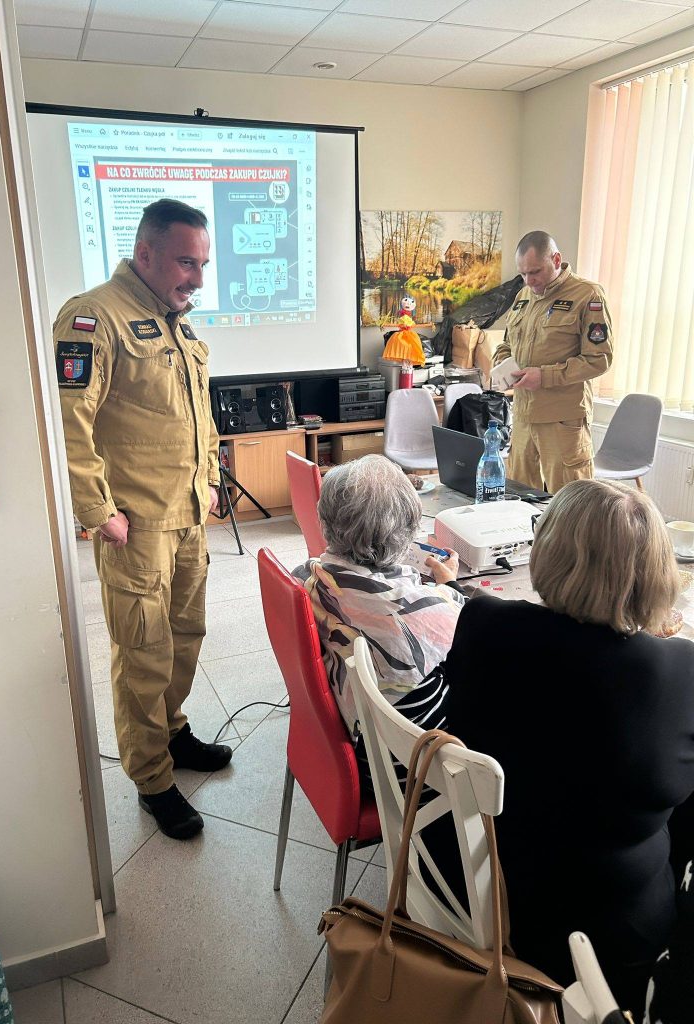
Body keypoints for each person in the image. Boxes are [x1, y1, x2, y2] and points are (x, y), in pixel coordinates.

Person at [442, 479, 694, 1018]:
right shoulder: (678, 672)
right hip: (613, 942)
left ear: (548, 552)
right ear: (656, 573)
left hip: (481, 884)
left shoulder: (483, 621)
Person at [53, 199, 232, 842]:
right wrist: (98, 512)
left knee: (185, 637)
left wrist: (211, 481)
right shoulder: (93, 317)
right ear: (146, 252)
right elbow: (68, 424)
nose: (197, 278)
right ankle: (152, 776)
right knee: (143, 652)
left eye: (203, 264)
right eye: (187, 262)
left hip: (187, 515)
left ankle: (173, 733)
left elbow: (196, 415)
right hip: (136, 527)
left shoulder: (175, 322)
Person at [295, 455, 464, 784]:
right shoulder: (424, 613)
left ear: (325, 519)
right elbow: (474, 622)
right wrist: (451, 585)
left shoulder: (310, 577)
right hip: (413, 774)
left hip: (353, 745)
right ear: (406, 534)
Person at [494, 230, 613, 492]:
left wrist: (544, 376)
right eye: (523, 274)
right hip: (523, 417)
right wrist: (502, 363)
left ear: (556, 259)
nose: (529, 280)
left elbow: (599, 358)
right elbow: (506, 344)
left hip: (562, 421)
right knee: (518, 497)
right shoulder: (523, 296)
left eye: (535, 272)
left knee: (570, 503)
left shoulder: (587, 295)